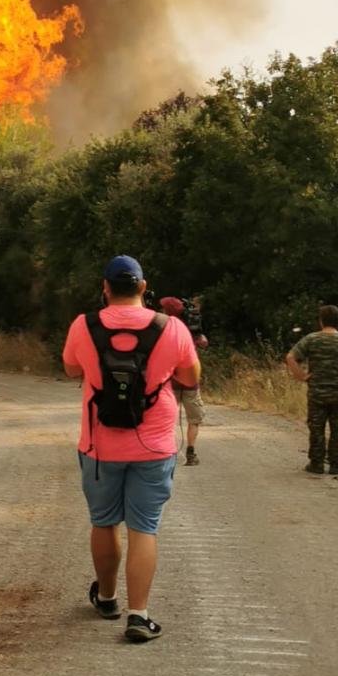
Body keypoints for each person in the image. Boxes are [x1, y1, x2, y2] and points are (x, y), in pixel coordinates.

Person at [63, 256, 200, 642]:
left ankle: (107, 598)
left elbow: (72, 369)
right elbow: (190, 378)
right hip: (154, 446)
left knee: (104, 521)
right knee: (144, 528)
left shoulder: (84, 325)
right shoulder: (171, 327)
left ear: (105, 288)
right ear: (143, 287)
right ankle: (139, 616)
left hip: (98, 445)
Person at [285, 304, 338, 474]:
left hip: (317, 393)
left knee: (316, 427)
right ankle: (336, 464)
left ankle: (317, 463)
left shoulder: (311, 339)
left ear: (321, 322)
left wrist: (302, 376)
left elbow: (290, 357)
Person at [159, 295, 208, 466]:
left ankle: (168, 452)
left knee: (166, 418)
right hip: (190, 379)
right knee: (194, 419)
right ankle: (191, 452)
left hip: (170, 380)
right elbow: (203, 342)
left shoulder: (162, 328)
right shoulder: (189, 329)